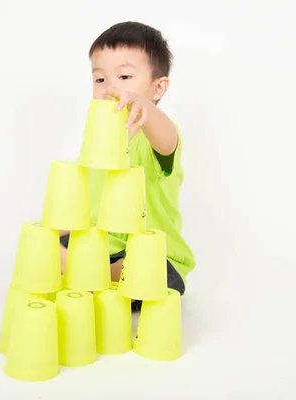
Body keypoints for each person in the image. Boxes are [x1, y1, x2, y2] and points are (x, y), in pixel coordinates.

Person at [59, 21, 195, 311]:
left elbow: (166, 138)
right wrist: (56, 233)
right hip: (100, 246)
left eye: (124, 77)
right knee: (48, 247)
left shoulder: (158, 135)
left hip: (152, 254)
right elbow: (88, 199)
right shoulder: (97, 139)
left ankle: (98, 276)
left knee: (145, 269)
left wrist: (143, 107)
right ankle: (93, 273)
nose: (110, 88)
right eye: (99, 80)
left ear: (157, 87)